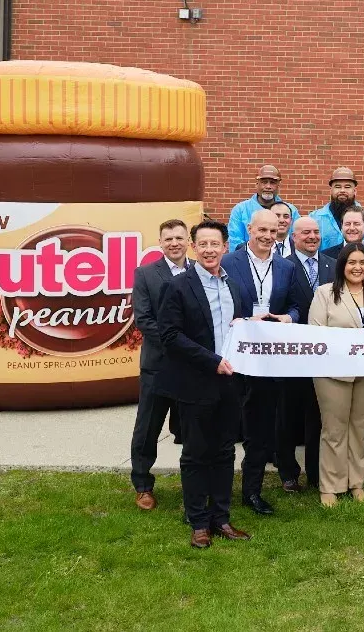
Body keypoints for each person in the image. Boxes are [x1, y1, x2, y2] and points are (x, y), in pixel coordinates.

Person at [156, 220, 251, 549]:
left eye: (216, 244)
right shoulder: (179, 286)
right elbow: (169, 336)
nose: (210, 250)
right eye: (204, 244)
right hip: (195, 383)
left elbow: (236, 327)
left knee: (225, 451)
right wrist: (211, 361)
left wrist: (242, 327)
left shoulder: (233, 286)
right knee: (196, 453)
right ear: (194, 248)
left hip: (230, 384)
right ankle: (198, 521)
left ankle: (221, 518)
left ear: (226, 247)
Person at [221, 209, 300, 516]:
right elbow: (218, 304)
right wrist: (238, 319)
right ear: (250, 230)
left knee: (260, 427)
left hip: (268, 358)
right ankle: (219, 489)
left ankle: (252, 492)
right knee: (227, 426)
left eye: (274, 231)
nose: (268, 236)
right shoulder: (229, 263)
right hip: (234, 358)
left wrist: (288, 318)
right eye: (262, 230)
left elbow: (295, 305)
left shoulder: (285, 266)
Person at [308, 243, 364, 507]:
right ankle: (330, 486)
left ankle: (356, 482)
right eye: (351, 263)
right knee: (334, 429)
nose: (357, 268)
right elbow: (316, 333)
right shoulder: (326, 293)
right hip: (333, 373)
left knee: (359, 428)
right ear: (342, 265)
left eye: (362, 263)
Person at [129, 219, 191, 510]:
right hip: (159, 364)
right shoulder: (145, 274)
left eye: (179, 237)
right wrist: (178, 344)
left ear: (188, 240)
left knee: (192, 429)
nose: (174, 243)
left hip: (193, 367)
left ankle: (193, 483)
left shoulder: (201, 271)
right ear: (160, 242)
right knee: (148, 427)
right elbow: (143, 319)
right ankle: (142, 484)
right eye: (168, 239)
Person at [278, 216, 336, 492]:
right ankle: (288, 471)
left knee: (318, 415)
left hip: (323, 356)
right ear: (293, 236)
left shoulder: (333, 266)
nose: (312, 237)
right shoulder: (281, 266)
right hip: (291, 354)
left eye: (316, 232)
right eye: (305, 233)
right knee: (288, 415)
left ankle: (316, 473)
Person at [309, 167, 364, 252]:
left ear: (355, 191)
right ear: (331, 190)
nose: (342, 190)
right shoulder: (315, 218)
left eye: (347, 187)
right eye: (338, 187)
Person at [228, 164, 301, 251]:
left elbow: (298, 239)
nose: (268, 187)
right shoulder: (240, 210)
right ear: (257, 184)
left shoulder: (291, 210)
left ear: (278, 185)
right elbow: (235, 243)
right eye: (264, 182)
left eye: (272, 183)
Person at [323, 206, 364, 270]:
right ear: (341, 227)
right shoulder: (326, 257)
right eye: (347, 224)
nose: (352, 228)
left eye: (356, 224)